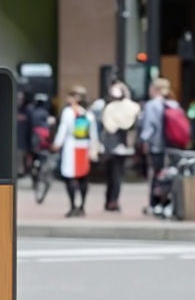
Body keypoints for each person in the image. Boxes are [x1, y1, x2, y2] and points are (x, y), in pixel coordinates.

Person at [52, 86, 99, 218]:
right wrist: (93, 149)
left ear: (75, 98)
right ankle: (82, 206)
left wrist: (57, 144)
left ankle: (73, 206)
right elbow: (93, 134)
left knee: (70, 177)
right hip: (84, 148)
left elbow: (63, 130)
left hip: (71, 147)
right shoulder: (89, 115)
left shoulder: (68, 112)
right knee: (83, 177)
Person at [139, 78, 179, 215]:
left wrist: (144, 141)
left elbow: (150, 126)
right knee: (169, 174)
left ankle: (154, 203)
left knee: (156, 175)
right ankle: (167, 202)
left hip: (156, 146)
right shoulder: (173, 104)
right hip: (172, 145)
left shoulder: (152, 105)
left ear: (154, 89)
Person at [100, 81, 141, 212]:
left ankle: (110, 200)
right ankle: (113, 200)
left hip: (111, 144)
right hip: (124, 144)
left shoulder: (110, 108)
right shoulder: (133, 107)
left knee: (111, 173)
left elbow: (108, 127)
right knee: (117, 173)